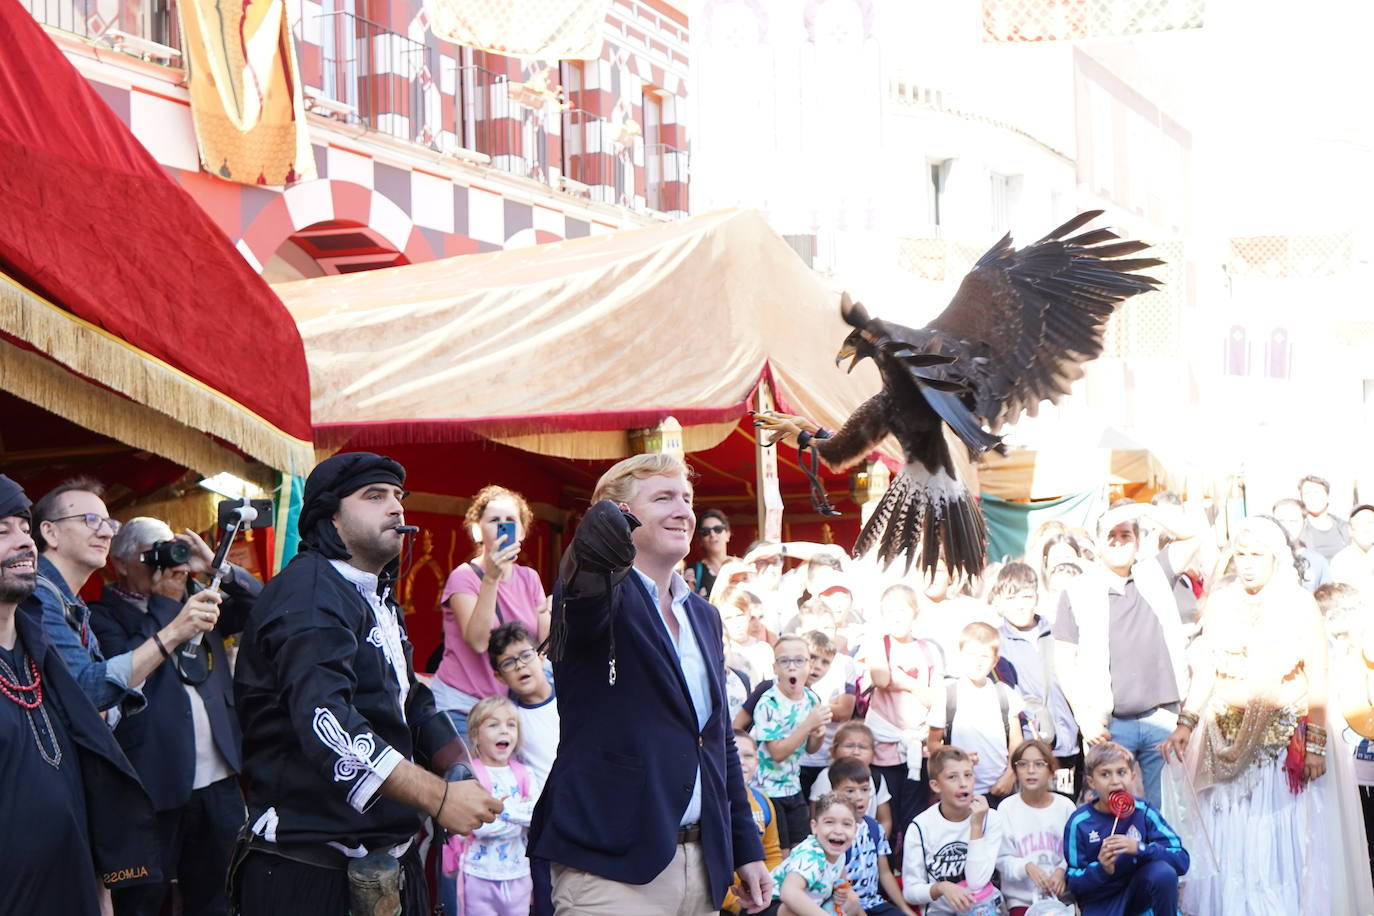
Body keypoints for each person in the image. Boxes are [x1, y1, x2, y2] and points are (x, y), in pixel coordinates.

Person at [232, 452, 502, 914]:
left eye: (399, 497)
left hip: (386, 865)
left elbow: (410, 699)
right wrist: (438, 797)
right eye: (374, 497)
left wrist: (458, 769)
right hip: (309, 873)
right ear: (331, 520)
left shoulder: (371, 594)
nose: (396, 508)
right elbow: (327, 722)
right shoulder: (311, 596)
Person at [529, 452, 771, 914]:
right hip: (610, 868)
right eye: (663, 498)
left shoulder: (704, 615)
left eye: (687, 498)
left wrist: (746, 848)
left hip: (703, 866)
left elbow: (718, 742)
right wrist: (593, 544)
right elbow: (582, 601)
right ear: (616, 515)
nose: (683, 510)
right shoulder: (595, 590)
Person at [1159, 515, 1374, 914]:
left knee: (1280, 834)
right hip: (1223, 737)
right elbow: (1207, 665)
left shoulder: (1298, 602)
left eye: (1257, 554)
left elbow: (1318, 672)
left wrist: (1315, 745)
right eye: (1240, 554)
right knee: (1230, 833)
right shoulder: (1221, 601)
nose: (1247, 563)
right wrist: (1185, 723)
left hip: (1281, 744)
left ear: (1276, 556)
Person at [0, 475, 162, 914]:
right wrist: (170, 637)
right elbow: (93, 691)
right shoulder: (46, 616)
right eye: (2, 531)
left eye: (22, 525)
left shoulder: (37, 648)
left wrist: (100, 884)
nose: (23, 541)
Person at [89, 517, 259, 916]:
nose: (165, 564)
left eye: (169, 549)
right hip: (153, 786)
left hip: (219, 780)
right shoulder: (101, 617)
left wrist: (218, 567)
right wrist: (166, 602)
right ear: (120, 564)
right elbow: (126, 669)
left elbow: (259, 605)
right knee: (143, 901)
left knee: (221, 896)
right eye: (151, 555)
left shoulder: (199, 599)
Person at [1053, 499, 1198, 809]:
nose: (1118, 542)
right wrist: (1085, 719)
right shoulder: (1078, 590)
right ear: (1097, 543)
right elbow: (1064, 662)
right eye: (1111, 536)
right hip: (1110, 724)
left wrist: (1142, 509)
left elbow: (1192, 535)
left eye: (1126, 535)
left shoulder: (1155, 573)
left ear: (1137, 540)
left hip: (1163, 717)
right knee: (1111, 812)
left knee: (1170, 812)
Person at [30, 477, 190, 722]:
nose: (106, 534)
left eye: (109, 523)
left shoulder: (72, 601)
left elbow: (101, 708)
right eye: (90, 520)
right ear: (50, 533)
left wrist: (213, 568)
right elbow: (88, 691)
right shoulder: (38, 595)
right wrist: (175, 631)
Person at [434, 485, 550, 738]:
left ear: (521, 531)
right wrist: (491, 579)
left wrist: (560, 611)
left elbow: (545, 643)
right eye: (494, 520)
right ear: (478, 530)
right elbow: (477, 642)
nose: (502, 526)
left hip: (508, 711)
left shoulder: (529, 577)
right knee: (469, 776)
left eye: (510, 520)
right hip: (463, 705)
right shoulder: (463, 577)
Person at [860, 583, 943, 861]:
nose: (896, 616)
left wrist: (903, 680)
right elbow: (881, 678)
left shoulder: (928, 649)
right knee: (888, 812)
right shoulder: (878, 644)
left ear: (915, 613)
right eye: (889, 611)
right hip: (884, 747)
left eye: (902, 610)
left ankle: (910, 867)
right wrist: (913, 684)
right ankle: (887, 870)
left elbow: (934, 698)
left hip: (916, 747)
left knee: (914, 813)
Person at [444, 695, 542, 916]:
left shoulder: (525, 774)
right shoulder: (471, 775)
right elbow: (474, 827)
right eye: (494, 724)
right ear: (476, 736)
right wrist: (517, 814)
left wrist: (501, 811)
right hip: (479, 875)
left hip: (518, 875)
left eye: (511, 725)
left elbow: (536, 816)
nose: (504, 730)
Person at [1064, 742, 1188, 916]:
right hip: (1101, 902)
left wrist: (1140, 848)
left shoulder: (1143, 811)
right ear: (1091, 782)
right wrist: (1101, 869)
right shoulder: (1080, 822)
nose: (1115, 781)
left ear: (1132, 776)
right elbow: (1073, 882)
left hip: (1139, 896)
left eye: (1121, 772)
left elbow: (1181, 860)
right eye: (1105, 774)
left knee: (1163, 872)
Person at [991, 563, 1081, 793]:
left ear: (1036, 597)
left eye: (1026, 597)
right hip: (1028, 750)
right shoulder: (996, 643)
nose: (1020, 606)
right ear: (998, 602)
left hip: (1065, 744)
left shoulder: (1058, 632)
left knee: (1065, 807)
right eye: (1011, 598)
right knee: (1030, 813)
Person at [489, 620, 558, 916]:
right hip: (544, 824)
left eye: (526, 655)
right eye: (508, 662)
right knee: (546, 900)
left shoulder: (573, 696)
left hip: (585, 812)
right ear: (499, 675)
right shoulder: (509, 719)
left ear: (541, 655)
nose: (520, 666)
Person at [927, 622, 1025, 804]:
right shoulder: (947, 695)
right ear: (960, 656)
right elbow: (933, 743)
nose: (978, 662)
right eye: (971, 655)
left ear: (995, 661)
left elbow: (1017, 743)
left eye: (984, 656)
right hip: (958, 791)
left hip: (999, 789)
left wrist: (1010, 775)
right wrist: (957, 754)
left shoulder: (1005, 694)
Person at [902, 746, 1006, 915]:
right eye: (952, 777)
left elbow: (976, 882)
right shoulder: (920, 827)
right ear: (936, 786)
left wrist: (976, 826)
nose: (963, 783)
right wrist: (941, 888)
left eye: (968, 775)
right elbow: (910, 892)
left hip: (983, 910)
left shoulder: (991, 819)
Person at [752, 634, 831, 853]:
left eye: (799, 660)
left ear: (809, 665)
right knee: (781, 854)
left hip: (793, 787)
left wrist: (818, 733)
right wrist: (808, 725)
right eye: (785, 661)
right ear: (775, 668)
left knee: (801, 851)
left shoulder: (811, 699)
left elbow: (811, 749)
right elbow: (777, 752)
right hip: (768, 791)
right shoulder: (768, 703)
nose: (792, 667)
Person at [996, 740, 1075, 915]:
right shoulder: (1006, 808)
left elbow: (1076, 851)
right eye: (1023, 764)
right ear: (1015, 771)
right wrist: (1026, 867)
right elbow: (1002, 859)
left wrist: (1062, 870)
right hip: (1022, 899)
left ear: (1050, 771)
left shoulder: (1066, 806)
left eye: (1039, 764)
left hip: (1061, 896)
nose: (1031, 770)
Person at [828, 759, 915, 916]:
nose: (859, 797)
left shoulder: (875, 828)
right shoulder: (833, 834)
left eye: (864, 789)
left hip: (874, 902)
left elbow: (885, 873)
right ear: (834, 792)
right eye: (850, 791)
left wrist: (904, 908)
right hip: (844, 906)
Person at [768, 792, 861, 916]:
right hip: (769, 905)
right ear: (814, 827)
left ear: (855, 830)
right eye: (829, 822)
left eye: (846, 824)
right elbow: (789, 892)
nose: (838, 831)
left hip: (815, 903)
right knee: (791, 911)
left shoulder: (839, 853)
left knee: (852, 899)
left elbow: (841, 878)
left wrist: (840, 891)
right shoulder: (811, 855)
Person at [723, 731, 784, 916]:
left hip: (759, 898)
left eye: (748, 756)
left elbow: (772, 854)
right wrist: (736, 903)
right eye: (734, 756)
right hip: (724, 904)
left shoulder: (763, 802)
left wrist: (768, 893)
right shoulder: (709, 804)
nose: (741, 762)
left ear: (758, 762)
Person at [808, 721, 894, 839]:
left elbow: (885, 820)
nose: (856, 752)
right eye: (849, 746)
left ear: (873, 753)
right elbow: (815, 816)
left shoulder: (876, 778)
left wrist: (878, 845)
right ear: (832, 751)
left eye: (863, 747)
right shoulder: (826, 776)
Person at [798, 630, 857, 798]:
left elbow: (845, 711)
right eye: (813, 657)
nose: (817, 666)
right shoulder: (773, 688)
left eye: (825, 662)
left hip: (819, 762)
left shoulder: (814, 697)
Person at [1273, 498, 1330, 591]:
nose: (1286, 527)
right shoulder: (1261, 557)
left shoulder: (1317, 561)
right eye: (1281, 521)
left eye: (1293, 521)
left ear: (1304, 523)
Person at [1298, 474, 1350, 561]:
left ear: (1328, 496)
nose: (1312, 498)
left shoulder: (1345, 527)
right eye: (1307, 494)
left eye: (1317, 492)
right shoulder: (1298, 529)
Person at [689, 509, 738, 598]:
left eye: (718, 529)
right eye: (706, 532)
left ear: (728, 534)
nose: (712, 534)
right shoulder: (693, 572)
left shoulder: (741, 566)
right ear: (700, 540)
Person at [1331, 503, 1374, 592]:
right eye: (1362, 523)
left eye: (1371, 523)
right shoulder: (1341, 562)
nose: (1368, 529)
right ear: (1350, 530)